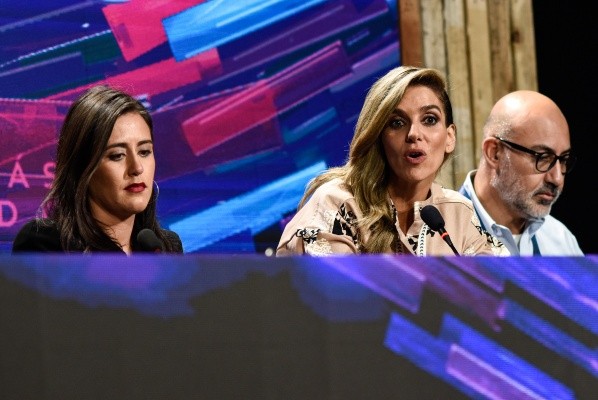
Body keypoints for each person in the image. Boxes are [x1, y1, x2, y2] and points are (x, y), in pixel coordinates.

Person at [276, 66, 508, 256]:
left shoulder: (458, 212)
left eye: (429, 119)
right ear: (378, 136)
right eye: (397, 123)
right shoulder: (338, 203)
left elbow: (502, 287)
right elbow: (334, 293)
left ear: (449, 138)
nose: (414, 134)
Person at [12, 85, 183, 254]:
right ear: (83, 166)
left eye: (144, 152)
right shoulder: (45, 243)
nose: (137, 168)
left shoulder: (165, 248)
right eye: (117, 155)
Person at [459, 90, 582, 255]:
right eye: (543, 157)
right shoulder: (435, 239)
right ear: (494, 153)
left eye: (563, 160)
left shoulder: (561, 241)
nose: (557, 179)